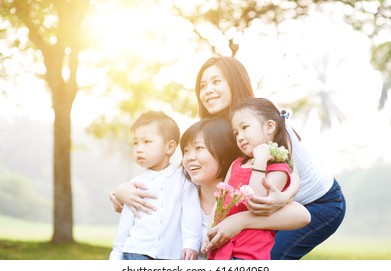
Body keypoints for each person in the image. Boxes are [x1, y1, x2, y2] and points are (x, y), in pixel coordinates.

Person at [110, 56, 346, 260]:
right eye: (202, 85)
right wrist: (123, 190)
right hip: (265, 204)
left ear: (235, 82)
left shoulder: (262, 120)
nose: (207, 90)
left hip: (316, 203)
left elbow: (291, 170)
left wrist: (282, 198)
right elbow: (184, 170)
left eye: (216, 81)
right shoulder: (229, 131)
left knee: (268, 258)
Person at [179, 117, 310, 259]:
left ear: (223, 152)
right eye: (185, 150)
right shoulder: (182, 192)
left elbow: (302, 215)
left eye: (199, 148)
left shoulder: (242, 194)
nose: (189, 157)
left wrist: (240, 221)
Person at [205, 98, 293, 260]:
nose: (239, 136)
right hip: (221, 246)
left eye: (245, 127)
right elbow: (220, 200)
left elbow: (255, 201)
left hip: (248, 252)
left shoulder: (279, 169)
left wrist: (260, 160)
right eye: (236, 132)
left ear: (269, 127)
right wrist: (211, 229)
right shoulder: (237, 164)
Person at [109, 111, 202, 260]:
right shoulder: (133, 185)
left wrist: (191, 244)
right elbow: (125, 224)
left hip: (171, 255)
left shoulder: (184, 181)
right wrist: (116, 253)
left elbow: (191, 215)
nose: (139, 148)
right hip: (135, 253)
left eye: (146, 142)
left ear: (169, 147)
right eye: (135, 143)